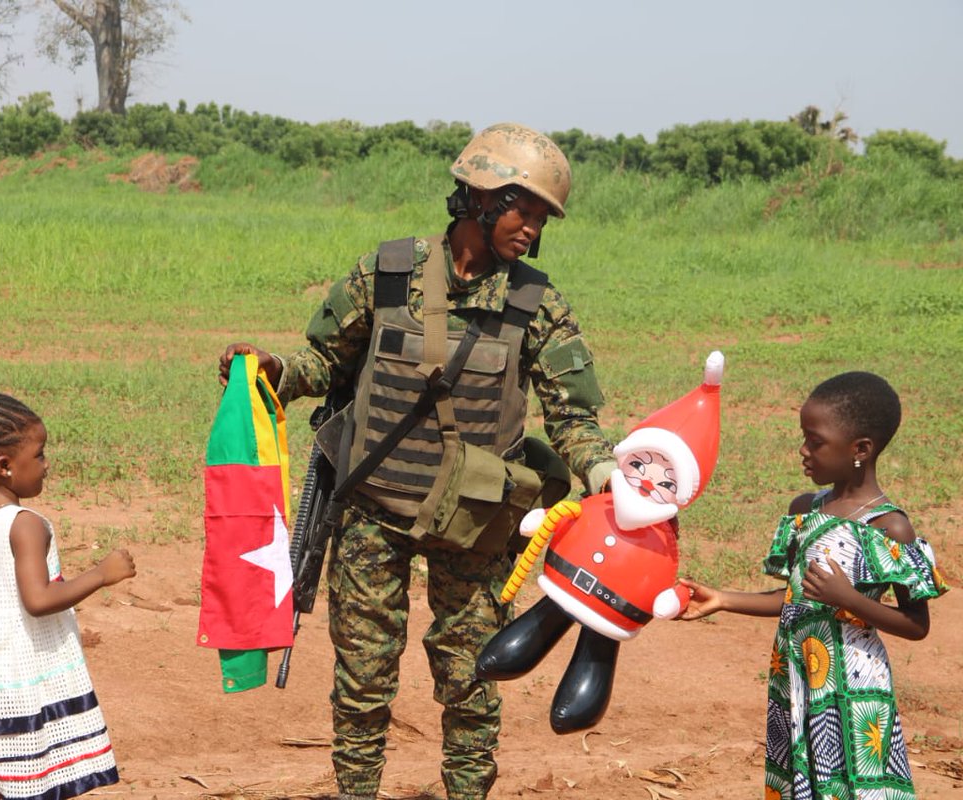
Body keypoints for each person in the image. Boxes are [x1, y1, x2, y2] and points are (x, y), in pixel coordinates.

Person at [218, 122, 618, 800]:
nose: (533, 230)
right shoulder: (389, 273)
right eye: (525, 210)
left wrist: (606, 476)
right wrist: (269, 373)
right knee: (364, 680)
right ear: (481, 197)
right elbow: (324, 361)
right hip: (375, 513)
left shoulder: (536, 306)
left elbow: (575, 420)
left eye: (544, 218)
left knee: (472, 681)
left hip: (478, 526)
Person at [679, 371, 948, 800]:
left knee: (860, 785)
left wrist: (849, 599)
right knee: (800, 782)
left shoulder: (889, 527)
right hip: (797, 673)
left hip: (856, 688)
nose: (803, 451)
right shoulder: (804, 510)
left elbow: (917, 625)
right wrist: (724, 600)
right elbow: (794, 599)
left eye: (815, 441)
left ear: (861, 449)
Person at [0, 390, 136, 800]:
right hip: (17, 685)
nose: (47, 465)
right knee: (31, 781)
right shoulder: (26, 524)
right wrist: (101, 574)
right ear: (6, 466)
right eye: (41, 454)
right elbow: (38, 599)